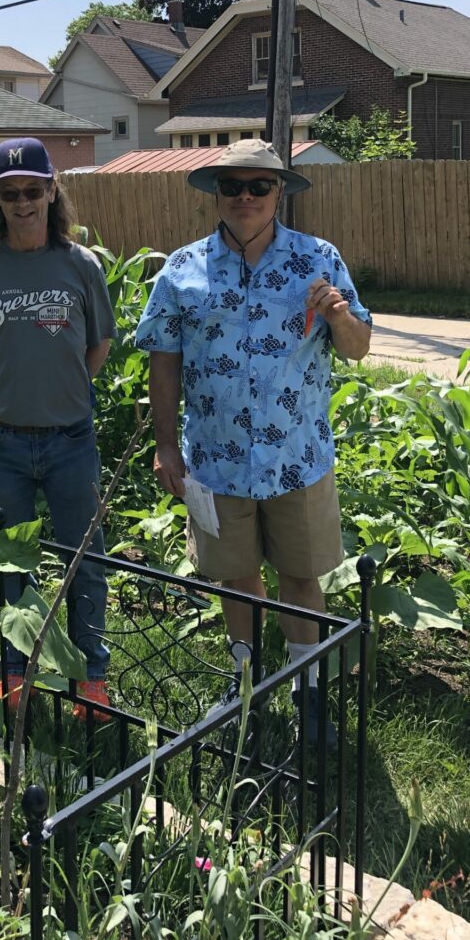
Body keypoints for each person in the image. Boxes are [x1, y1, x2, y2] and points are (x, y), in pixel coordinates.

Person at [135, 139, 372, 745]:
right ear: (217, 193)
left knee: (299, 575)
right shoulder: (182, 269)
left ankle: (307, 689)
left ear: (279, 194)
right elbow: (163, 362)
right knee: (238, 577)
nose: (244, 196)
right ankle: (243, 682)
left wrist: (340, 315)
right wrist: (167, 447)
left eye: (258, 186)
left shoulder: (317, 261)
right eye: (232, 186)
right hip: (216, 459)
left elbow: (357, 347)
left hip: (298, 457)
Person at [0, 137, 117, 716]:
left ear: (52, 191)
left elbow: (97, 344)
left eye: (32, 190)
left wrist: (63, 389)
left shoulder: (80, 265)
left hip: (70, 439)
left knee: (85, 557)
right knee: (10, 563)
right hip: (2, 443)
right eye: (9, 192)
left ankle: (91, 676)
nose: (22, 202)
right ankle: (16, 670)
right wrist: (12, 389)